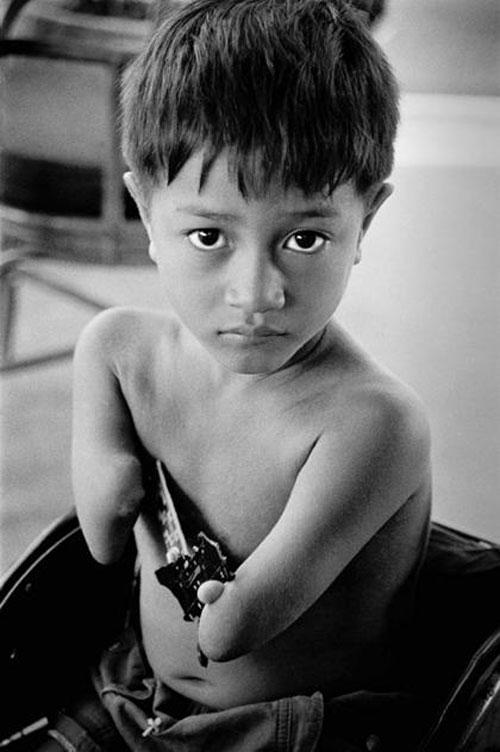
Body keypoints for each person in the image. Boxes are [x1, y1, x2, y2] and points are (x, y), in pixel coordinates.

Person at [49, 0, 432, 749]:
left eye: (305, 238)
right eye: (207, 235)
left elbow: (229, 630)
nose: (256, 294)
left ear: (366, 221)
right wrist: (111, 468)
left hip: (299, 728)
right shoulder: (116, 350)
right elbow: (101, 536)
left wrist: (142, 504)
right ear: (144, 211)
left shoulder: (372, 424)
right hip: (136, 687)